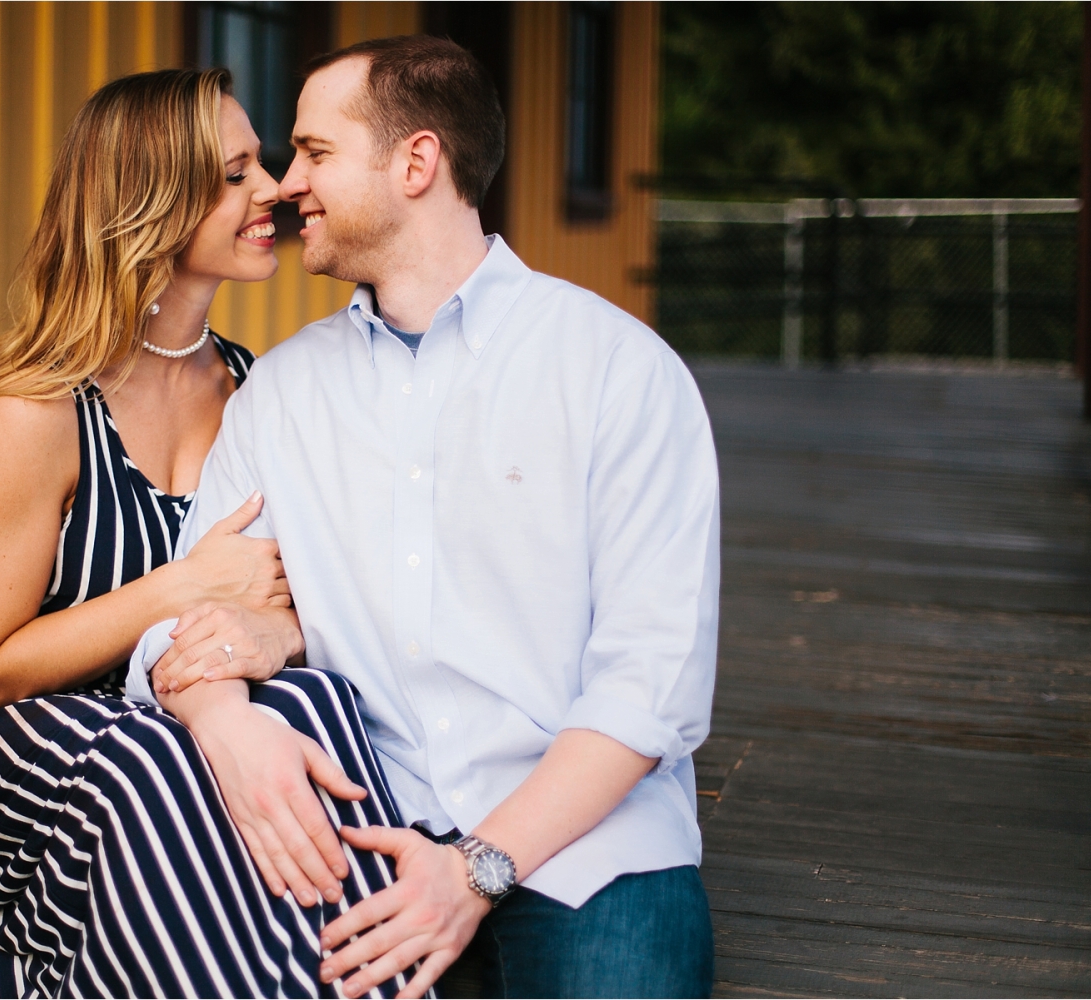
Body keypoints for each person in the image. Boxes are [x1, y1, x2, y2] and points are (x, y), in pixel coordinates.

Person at [129, 36, 719, 999]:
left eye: (315, 152)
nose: (285, 184)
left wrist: (477, 869)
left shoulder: (618, 372)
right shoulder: (279, 395)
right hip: (349, 831)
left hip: (583, 846)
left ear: (416, 161)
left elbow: (650, 689)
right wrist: (227, 724)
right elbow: (177, 621)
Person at [0, 69, 420, 999]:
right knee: (159, 760)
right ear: (151, 204)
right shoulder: (35, 407)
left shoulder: (258, 392)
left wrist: (269, 636)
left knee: (315, 709)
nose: (275, 190)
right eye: (234, 174)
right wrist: (179, 590)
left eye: (265, 164)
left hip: (164, 709)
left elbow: (284, 602)